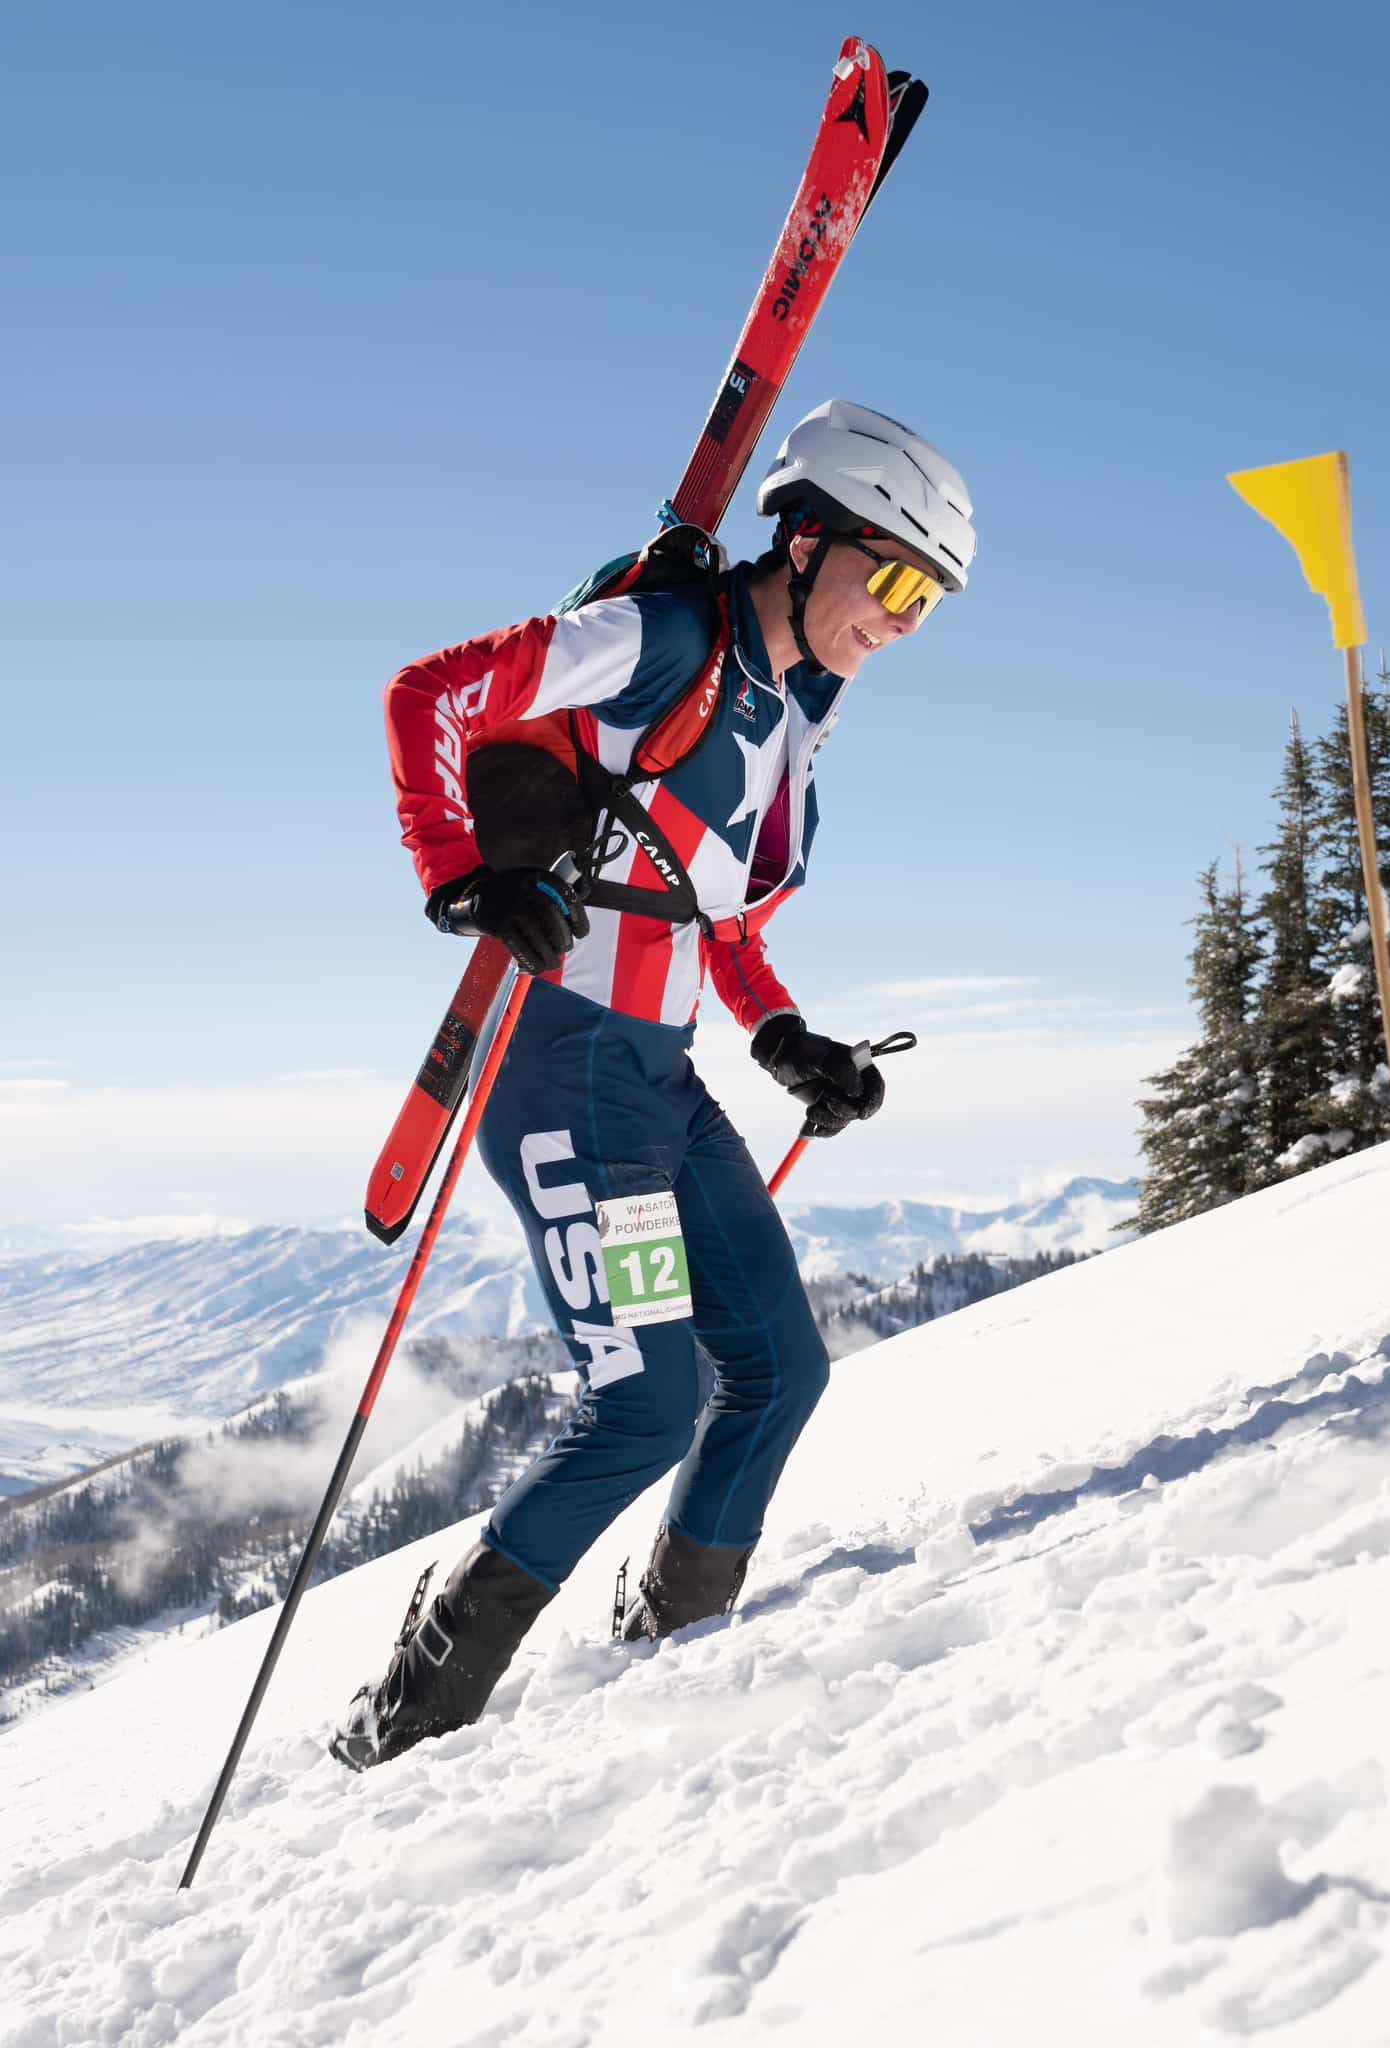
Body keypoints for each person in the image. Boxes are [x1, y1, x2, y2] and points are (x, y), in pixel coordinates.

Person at [331, 399, 976, 1769]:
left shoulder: (796, 705)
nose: (909, 622)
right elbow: (428, 692)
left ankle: (671, 1637)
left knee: (782, 1368)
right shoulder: (671, 637)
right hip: (565, 1070)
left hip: (658, 1076)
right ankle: (412, 1713)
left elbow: (709, 914)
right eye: (901, 579)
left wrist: (786, 1034)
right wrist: (458, 870)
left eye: (936, 601)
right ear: (811, 540)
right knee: (635, 1406)